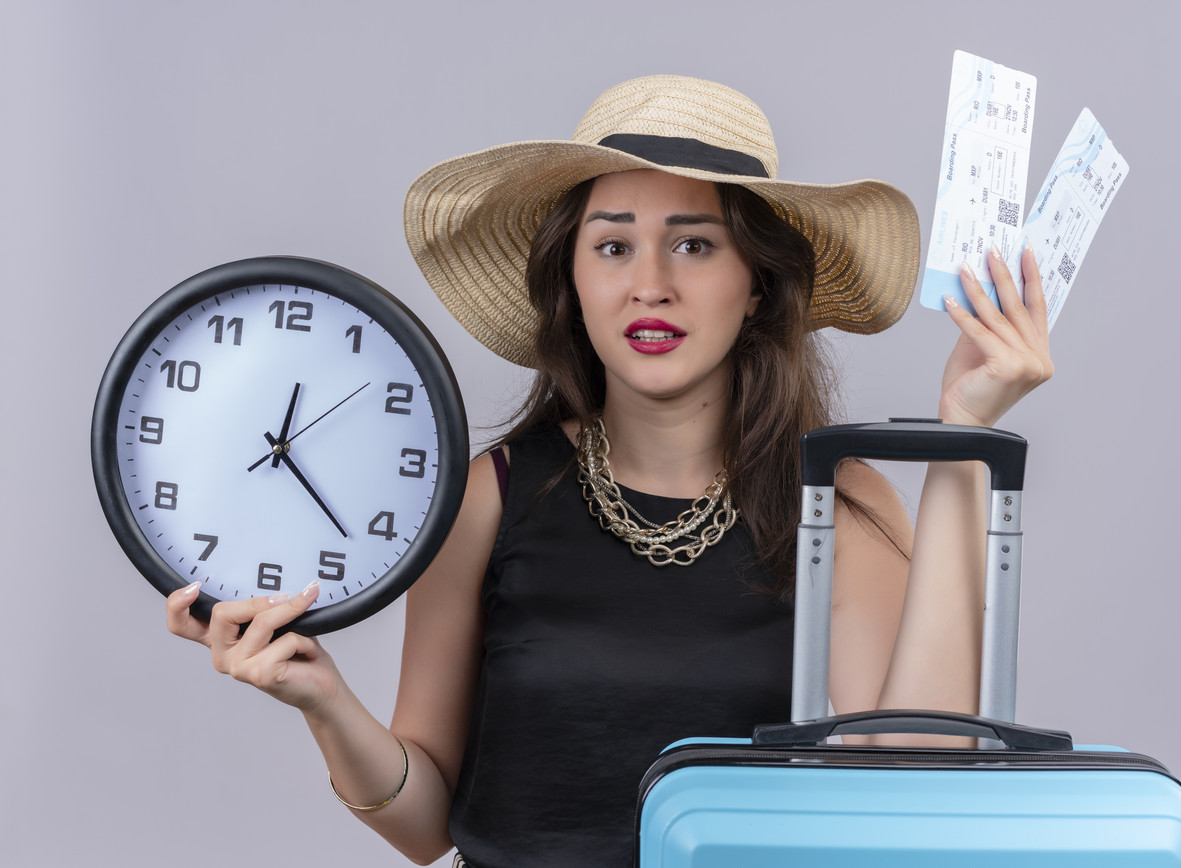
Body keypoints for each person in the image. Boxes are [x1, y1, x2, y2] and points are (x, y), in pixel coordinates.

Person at [165, 75, 1052, 867]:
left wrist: (962, 437)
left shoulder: (835, 499)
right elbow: (426, 826)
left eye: (695, 244)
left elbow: (914, 774)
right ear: (572, 281)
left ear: (758, 286)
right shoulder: (489, 495)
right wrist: (321, 697)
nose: (651, 283)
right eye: (613, 245)